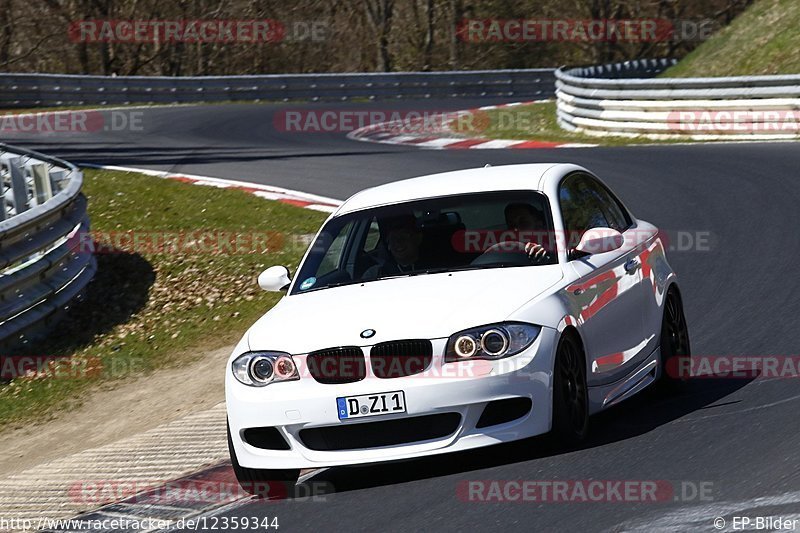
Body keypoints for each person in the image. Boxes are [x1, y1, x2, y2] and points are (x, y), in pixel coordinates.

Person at [363, 214, 426, 278]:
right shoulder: (375, 274)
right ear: (388, 245)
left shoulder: (433, 268)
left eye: (403, 236)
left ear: (418, 238)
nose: (398, 242)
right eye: (393, 238)